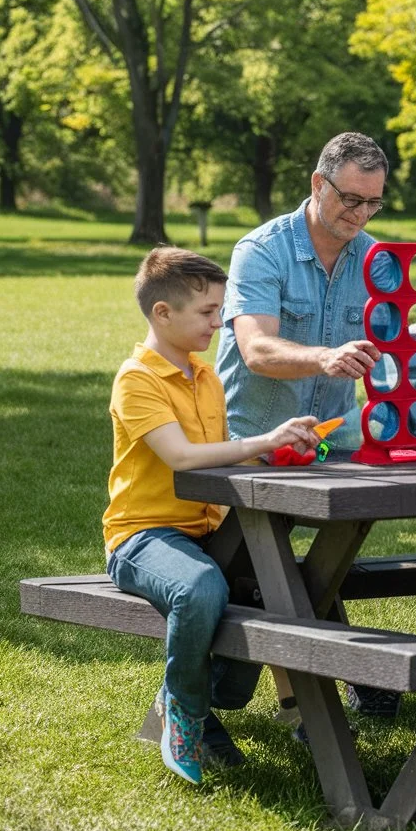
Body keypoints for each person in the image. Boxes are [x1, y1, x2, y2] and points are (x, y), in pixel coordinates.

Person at [103, 247, 322, 785]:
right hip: (142, 537)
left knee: (279, 585)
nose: (218, 321)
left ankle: (209, 697)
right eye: (206, 311)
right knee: (201, 589)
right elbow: (180, 458)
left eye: (221, 309)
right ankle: (185, 712)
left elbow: (215, 450)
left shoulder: (206, 377)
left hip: (205, 530)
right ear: (162, 313)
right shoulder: (138, 380)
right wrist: (259, 439)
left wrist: (273, 448)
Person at [215, 131, 398, 720]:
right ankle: (308, 705)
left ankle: (338, 683)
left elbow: (391, 350)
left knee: (305, 570)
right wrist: (322, 356)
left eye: (373, 202)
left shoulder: (376, 259)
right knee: (261, 570)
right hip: (251, 443)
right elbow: (257, 350)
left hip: (331, 443)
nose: (361, 214)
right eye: (350, 199)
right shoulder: (261, 250)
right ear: (318, 185)